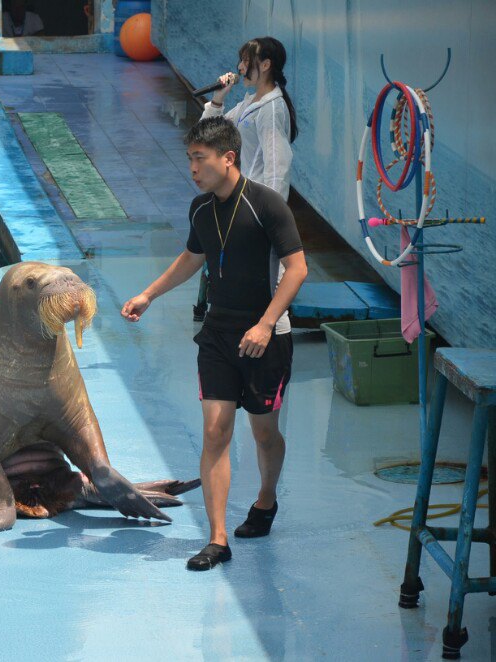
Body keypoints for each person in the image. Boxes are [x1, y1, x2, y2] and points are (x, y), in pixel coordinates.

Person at [121, 117, 308, 571]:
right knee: (214, 431)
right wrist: (149, 293)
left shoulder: (267, 206)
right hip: (219, 335)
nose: (192, 168)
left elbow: (298, 268)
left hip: (265, 336)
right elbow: (192, 257)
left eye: (199, 159)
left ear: (228, 158)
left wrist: (265, 324)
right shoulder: (200, 209)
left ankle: (265, 500)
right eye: (190, 158)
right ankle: (218, 539)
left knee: (264, 432)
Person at [192, 36, 298, 322]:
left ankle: (271, 330)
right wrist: (218, 98)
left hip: (259, 211)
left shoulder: (272, 108)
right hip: (242, 203)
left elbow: (278, 168)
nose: (239, 67)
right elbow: (209, 135)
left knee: (267, 281)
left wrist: (269, 218)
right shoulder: (252, 102)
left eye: (246, 61)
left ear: (265, 65)